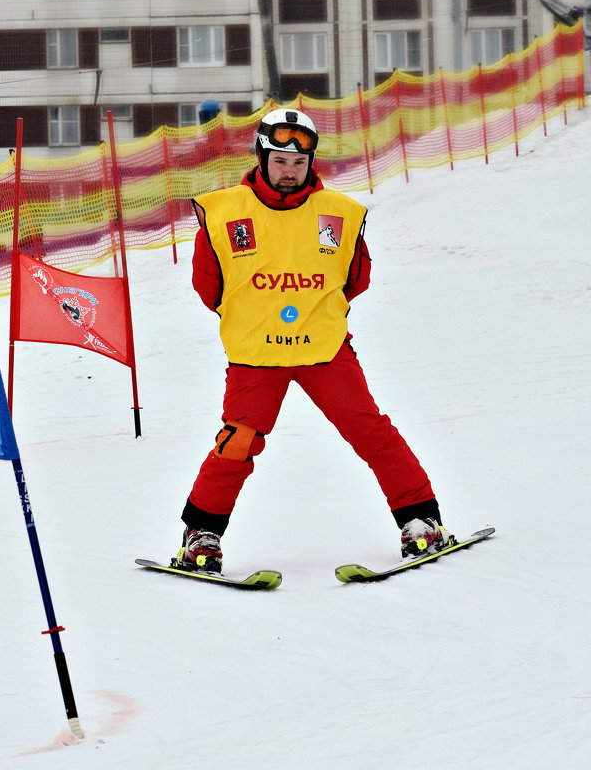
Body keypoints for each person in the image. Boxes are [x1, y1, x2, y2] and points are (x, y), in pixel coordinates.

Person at [177, 108, 449, 573]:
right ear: (262, 158)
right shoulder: (224, 213)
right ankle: (201, 536)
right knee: (237, 442)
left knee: (370, 430)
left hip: (323, 350)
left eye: (298, 163)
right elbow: (210, 287)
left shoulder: (339, 215)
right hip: (255, 355)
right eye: (280, 160)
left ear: (310, 163)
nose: (289, 171)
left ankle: (421, 520)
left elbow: (354, 279)